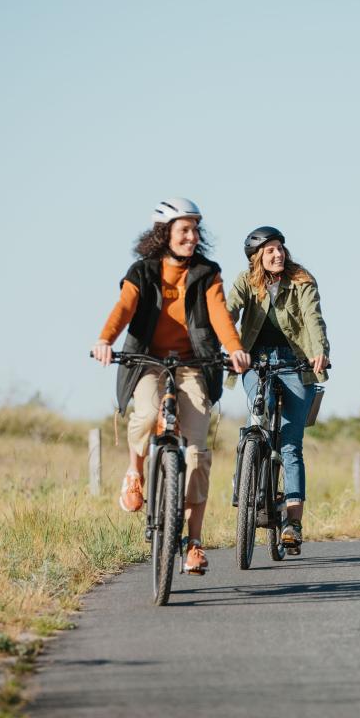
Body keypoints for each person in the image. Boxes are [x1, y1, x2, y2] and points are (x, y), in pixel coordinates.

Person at [92, 198, 251, 575]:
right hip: (147, 361)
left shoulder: (206, 272)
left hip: (193, 364)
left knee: (197, 453)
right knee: (147, 414)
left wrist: (235, 349)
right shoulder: (143, 270)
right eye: (184, 230)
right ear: (165, 234)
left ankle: (193, 542)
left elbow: (219, 315)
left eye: (196, 229)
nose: (192, 236)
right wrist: (105, 339)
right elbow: (125, 307)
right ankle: (135, 472)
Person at [226, 226, 330, 553]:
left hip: (295, 363)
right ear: (257, 257)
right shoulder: (246, 282)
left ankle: (292, 525)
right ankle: (246, 474)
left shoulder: (301, 280)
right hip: (255, 362)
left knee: (290, 443)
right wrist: (224, 343)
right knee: (260, 410)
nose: (278, 254)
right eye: (270, 250)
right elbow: (228, 311)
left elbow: (313, 319)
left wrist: (320, 351)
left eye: (280, 249)